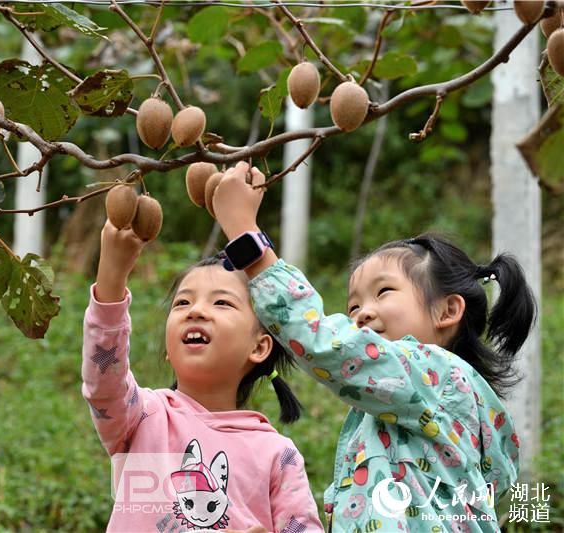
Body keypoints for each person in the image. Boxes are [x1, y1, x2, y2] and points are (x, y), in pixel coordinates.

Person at [213, 162, 536, 533]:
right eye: (353, 307)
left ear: (448, 310)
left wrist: (247, 240)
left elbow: (328, 345)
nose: (363, 314)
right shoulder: (403, 413)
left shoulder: (436, 374)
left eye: (383, 292)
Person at [82, 217, 324, 532]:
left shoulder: (276, 454)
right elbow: (103, 380)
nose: (195, 311)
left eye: (222, 302)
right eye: (182, 302)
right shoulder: (142, 417)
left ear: (260, 347)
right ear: (169, 349)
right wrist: (112, 277)